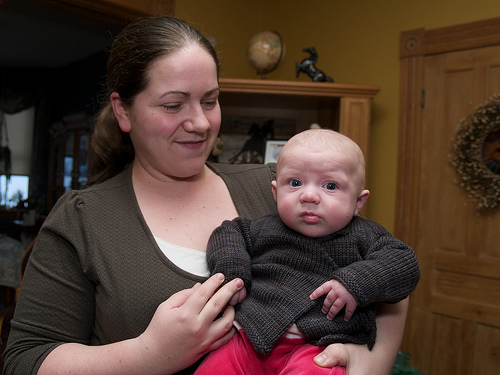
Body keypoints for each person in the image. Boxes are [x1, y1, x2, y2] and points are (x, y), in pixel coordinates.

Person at [3, 16, 409, 375]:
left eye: (210, 101)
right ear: (123, 111)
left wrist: (368, 366)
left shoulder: (284, 186)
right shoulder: (83, 220)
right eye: (173, 104)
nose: (199, 122)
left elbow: (386, 268)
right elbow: (25, 360)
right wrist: (148, 355)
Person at [195, 129, 420, 375]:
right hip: (249, 339)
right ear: (275, 192)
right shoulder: (263, 228)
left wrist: (356, 282)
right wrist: (233, 269)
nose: (309, 195)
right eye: (295, 183)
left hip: (318, 348)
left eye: (330, 186)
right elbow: (227, 233)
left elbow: (404, 262)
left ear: (358, 202)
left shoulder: (365, 236)